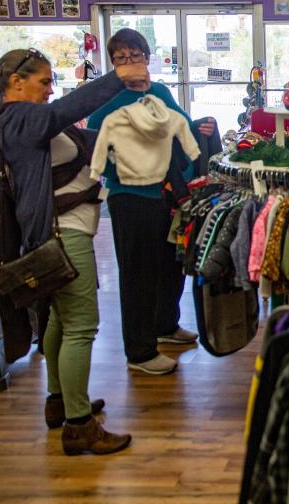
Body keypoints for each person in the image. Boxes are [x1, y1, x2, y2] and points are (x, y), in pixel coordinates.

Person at [0, 48, 145, 455]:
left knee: (59, 321)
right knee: (82, 327)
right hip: (61, 236)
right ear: (16, 83)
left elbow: (81, 137)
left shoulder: (31, 122)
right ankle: (79, 425)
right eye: (44, 82)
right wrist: (117, 77)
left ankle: (60, 401)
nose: (51, 91)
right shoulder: (18, 117)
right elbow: (64, 113)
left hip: (61, 234)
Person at [87, 28, 214, 376]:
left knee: (170, 263)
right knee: (138, 273)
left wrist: (199, 127)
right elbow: (94, 145)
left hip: (168, 195)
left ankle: (165, 326)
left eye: (136, 56)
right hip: (131, 196)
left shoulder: (159, 90)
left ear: (147, 58)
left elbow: (182, 125)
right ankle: (140, 351)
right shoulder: (104, 103)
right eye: (121, 58)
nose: (130, 64)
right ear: (113, 65)